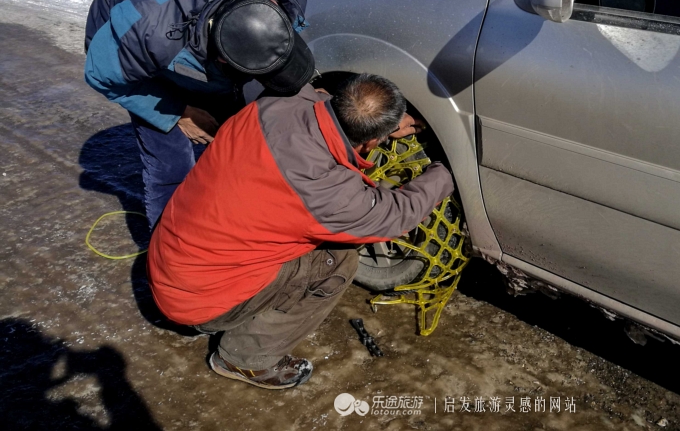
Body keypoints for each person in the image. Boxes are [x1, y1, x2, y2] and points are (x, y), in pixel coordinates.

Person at [146, 73, 452, 390]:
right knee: (338, 262)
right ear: (373, 142)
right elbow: (398, 214)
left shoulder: (275, 103)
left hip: (171, 259)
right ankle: (243, 360)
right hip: (199, 302)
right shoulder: (332, 195)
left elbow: (314, 93)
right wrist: (447, 171)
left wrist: (384, 121)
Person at [83, 0, 314, 227]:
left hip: (196, 9)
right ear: (219, 59)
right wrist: (180, 113)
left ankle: (230, 217)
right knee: (172, 163)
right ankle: (171, 256)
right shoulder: (146, 31)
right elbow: (102, 74)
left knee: (234, 134)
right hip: (128, 36)